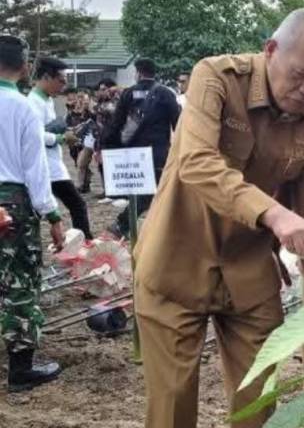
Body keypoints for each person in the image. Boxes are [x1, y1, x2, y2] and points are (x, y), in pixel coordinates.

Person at [133, 8, 304, 428]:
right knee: (172, 403)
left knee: (259, 403)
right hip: (175, 263)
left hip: (248, 273)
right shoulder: (216, 77)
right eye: (300, 75)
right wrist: (275, 213)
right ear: (271, 50)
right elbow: (197, 162)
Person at [0, 35, 65, 392]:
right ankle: (21, 369)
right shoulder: (22, 107)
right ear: (25, 67)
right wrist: (51, 215)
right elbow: (35, 170)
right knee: (20, 283)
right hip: (12, 202)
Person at [102, 58, 181, 238]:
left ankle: (125, 224)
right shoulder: (166, 93)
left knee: (145, 190)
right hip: (158, 151)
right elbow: (178, 122)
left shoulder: (128, 93)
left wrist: (109, 146)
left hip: (134, 152)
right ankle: (126, 224)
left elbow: (116, 123)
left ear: (138, 72)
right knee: (155, 189)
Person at [27, 57, 93, 239]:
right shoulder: (33, 103)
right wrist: (61, 138)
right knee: (77, 204)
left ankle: (83, 241)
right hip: (45, 166)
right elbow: (34, 136)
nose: (64, 86)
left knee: (41, 209)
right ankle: (85, 242)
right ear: (46, 77)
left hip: (53, 164)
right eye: (61, 81)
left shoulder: (47, 100)